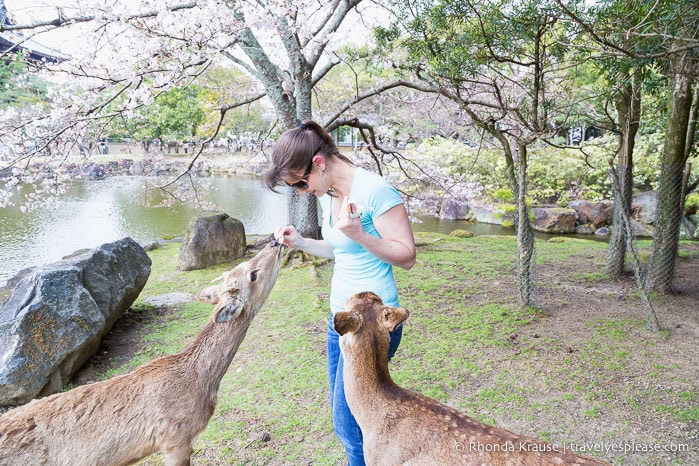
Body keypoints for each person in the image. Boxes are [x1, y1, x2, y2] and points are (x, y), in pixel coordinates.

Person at [263, 120, 416, 465]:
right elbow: (339, 249)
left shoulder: (375, 191)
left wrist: (361, 234)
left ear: (318, 163)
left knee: (348, 424)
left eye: (300, 183)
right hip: (340, 322)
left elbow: (407, 256)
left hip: (372, 326)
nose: (302, 191)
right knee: (348, 421)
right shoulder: (329, 192)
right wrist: (300, 242)